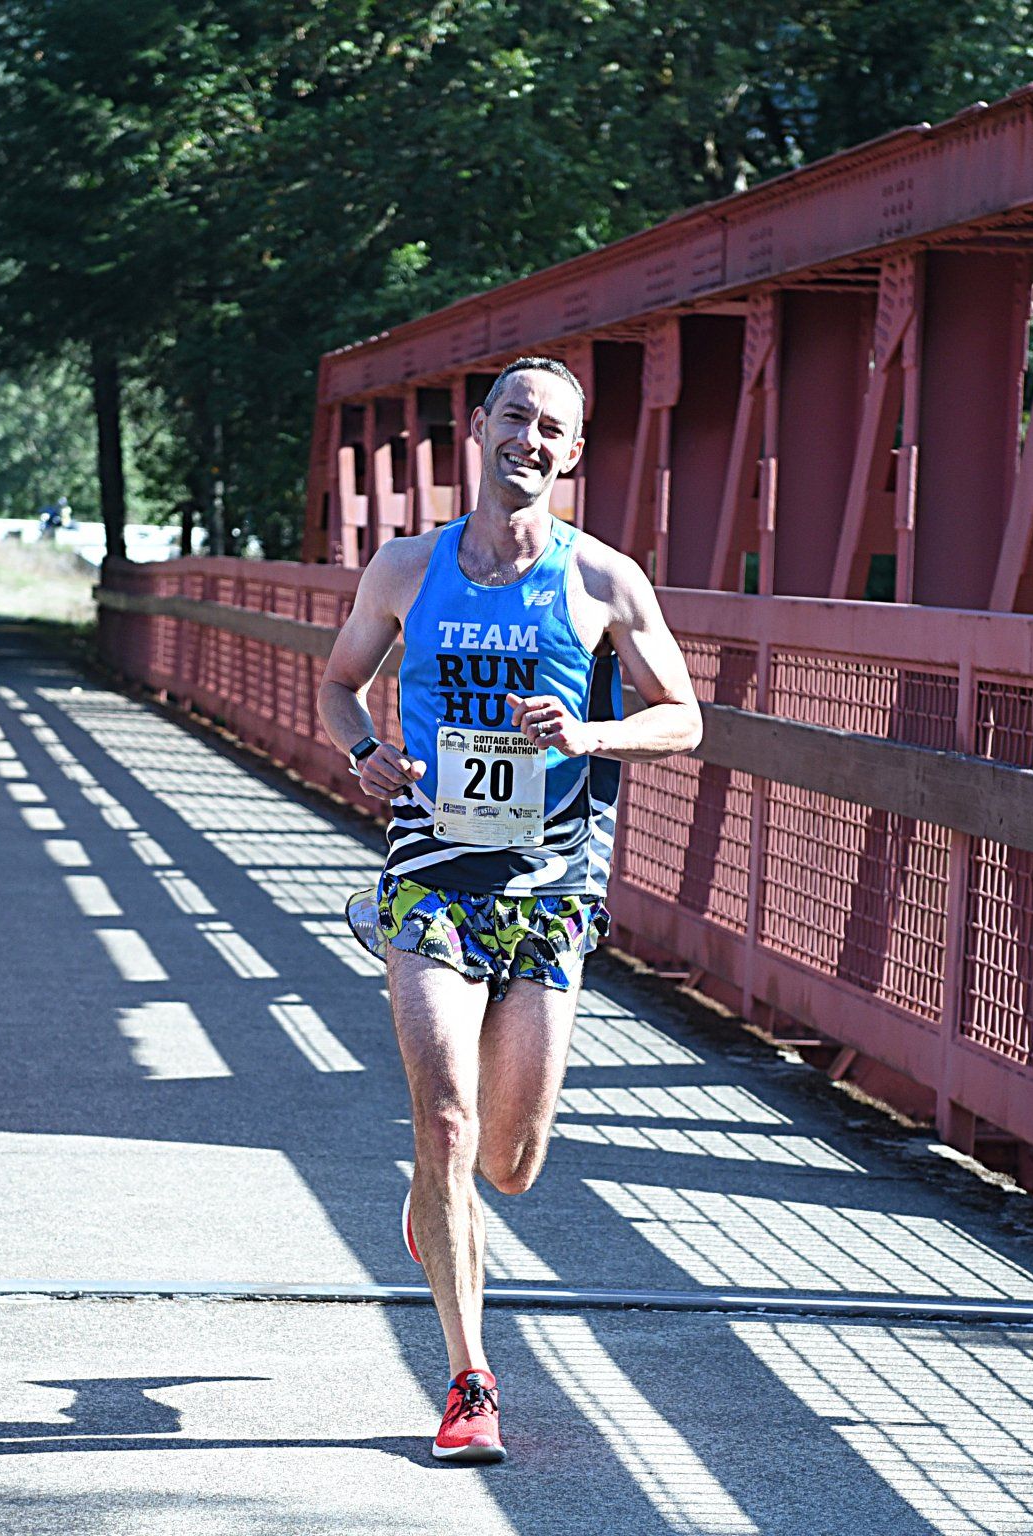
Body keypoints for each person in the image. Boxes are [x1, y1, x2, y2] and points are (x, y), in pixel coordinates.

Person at [318, 356, 702, 1463]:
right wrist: (363, 751)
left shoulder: (605, 581)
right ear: (480, 427)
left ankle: (436, 1202)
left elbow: (683, 718)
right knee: (444, 1125)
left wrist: (591, 733)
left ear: (572, 455)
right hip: (431, 877)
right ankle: (470, 1381)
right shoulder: (406, 567)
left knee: (509, 1163)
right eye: (515, 417)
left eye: (552, 429)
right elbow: (340, 682)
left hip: (550, 888)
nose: (529, 439)